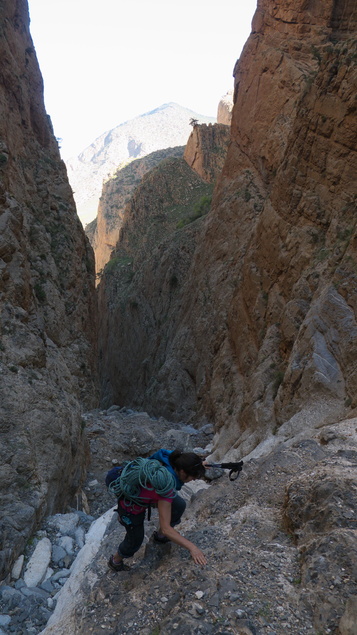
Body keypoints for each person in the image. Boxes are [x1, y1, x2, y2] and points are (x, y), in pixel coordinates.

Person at [108, 449, 207, 571]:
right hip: (131, 506)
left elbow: (186, 464)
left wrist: (198, 465)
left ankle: (159, 537)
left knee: (179, 505)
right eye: (193, 477)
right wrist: (193, 548)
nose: (193, 480)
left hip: (145, 491)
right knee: (135, 540)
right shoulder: (166, 486)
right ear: (182, 471)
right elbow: (166, 529)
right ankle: (115, 561)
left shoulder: (169, 457)